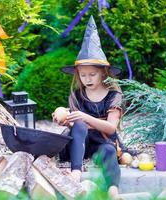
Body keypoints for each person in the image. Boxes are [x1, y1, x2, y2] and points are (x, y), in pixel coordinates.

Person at [53, 15, 124, 199]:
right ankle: (76, 171)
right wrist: (65, 120)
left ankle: (113, 190)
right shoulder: (77, 95)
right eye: (83, 75)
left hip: (101, 143)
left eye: (92, 74)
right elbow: (78, 128)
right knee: (77, 126)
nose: (87, 79)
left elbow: (110, 128)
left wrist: (84, 117)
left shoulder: (113, 96)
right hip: (78, 145)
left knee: (109, 150)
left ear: (103, 73)